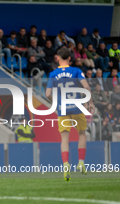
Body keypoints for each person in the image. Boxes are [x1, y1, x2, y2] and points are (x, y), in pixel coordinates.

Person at [46, 47, 94, 181]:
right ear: (70, 59)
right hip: (77, 107)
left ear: (58, 58)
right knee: (82, 133)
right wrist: (90, 102)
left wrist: (56, 102)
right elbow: (86, 87)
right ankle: (81, 162)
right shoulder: (76, 71)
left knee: (64, 138)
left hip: (63, 109)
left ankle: (66, 164)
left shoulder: (53, 74)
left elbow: (48, 94)